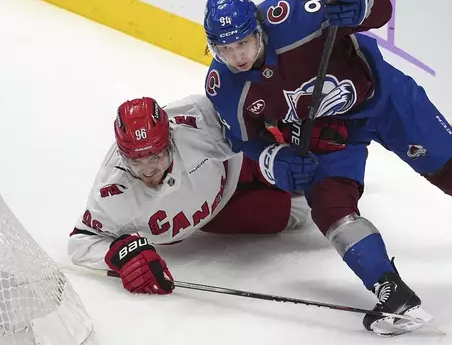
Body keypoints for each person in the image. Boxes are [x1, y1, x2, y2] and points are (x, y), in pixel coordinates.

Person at [201, 0, 452, 336]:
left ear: (258, 28)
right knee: (329, 208)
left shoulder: (294, 20)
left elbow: (380, 7)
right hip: (327, 133)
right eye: (225, 48)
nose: (237, 56)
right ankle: (391, 292)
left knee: (451, 171)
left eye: (242, 43)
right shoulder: (224, 85)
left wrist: (361, 5)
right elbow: (243, 138)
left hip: (383, 98)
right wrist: (272, 158)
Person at [68, 94, 310, 295]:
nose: (149, 170)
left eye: (156, 156)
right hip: (215, 215)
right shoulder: (112, 190)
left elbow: (250, 109)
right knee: (298, 214)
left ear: (170, 140)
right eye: (136, 163)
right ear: (122, 157)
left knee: (301, 168)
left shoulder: (196, 120)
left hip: (237, 162)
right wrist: (121, 256)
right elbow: (81, 241)